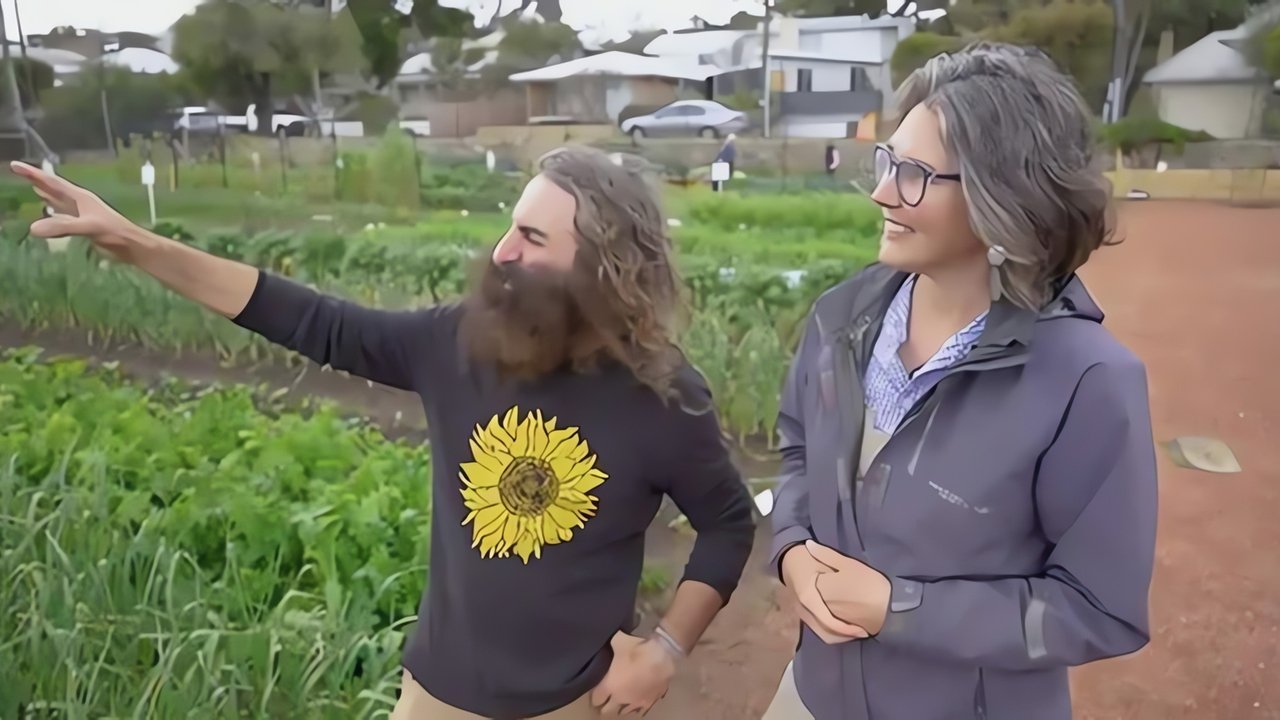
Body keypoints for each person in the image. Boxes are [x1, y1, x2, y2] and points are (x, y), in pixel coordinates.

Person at [11, 146, 757, 720]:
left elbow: (726, 523)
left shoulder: (661, 395)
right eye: (509, 226)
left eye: (531, 236)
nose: (502, 252)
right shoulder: (459, 343)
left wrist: (665, 649)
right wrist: (141, 245)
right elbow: (312, 320)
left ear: (600, 264)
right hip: (432, 696)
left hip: (570, 705)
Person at [764, 42, 1158, 720]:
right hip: (813, 694)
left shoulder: (1088, 382)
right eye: (886, 163)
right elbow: (798, 447)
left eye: (914, 173)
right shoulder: (841, 317)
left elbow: (1098, 609)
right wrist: (792, 547)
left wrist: (901, 610)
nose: (882, 193)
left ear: (1002, 195)